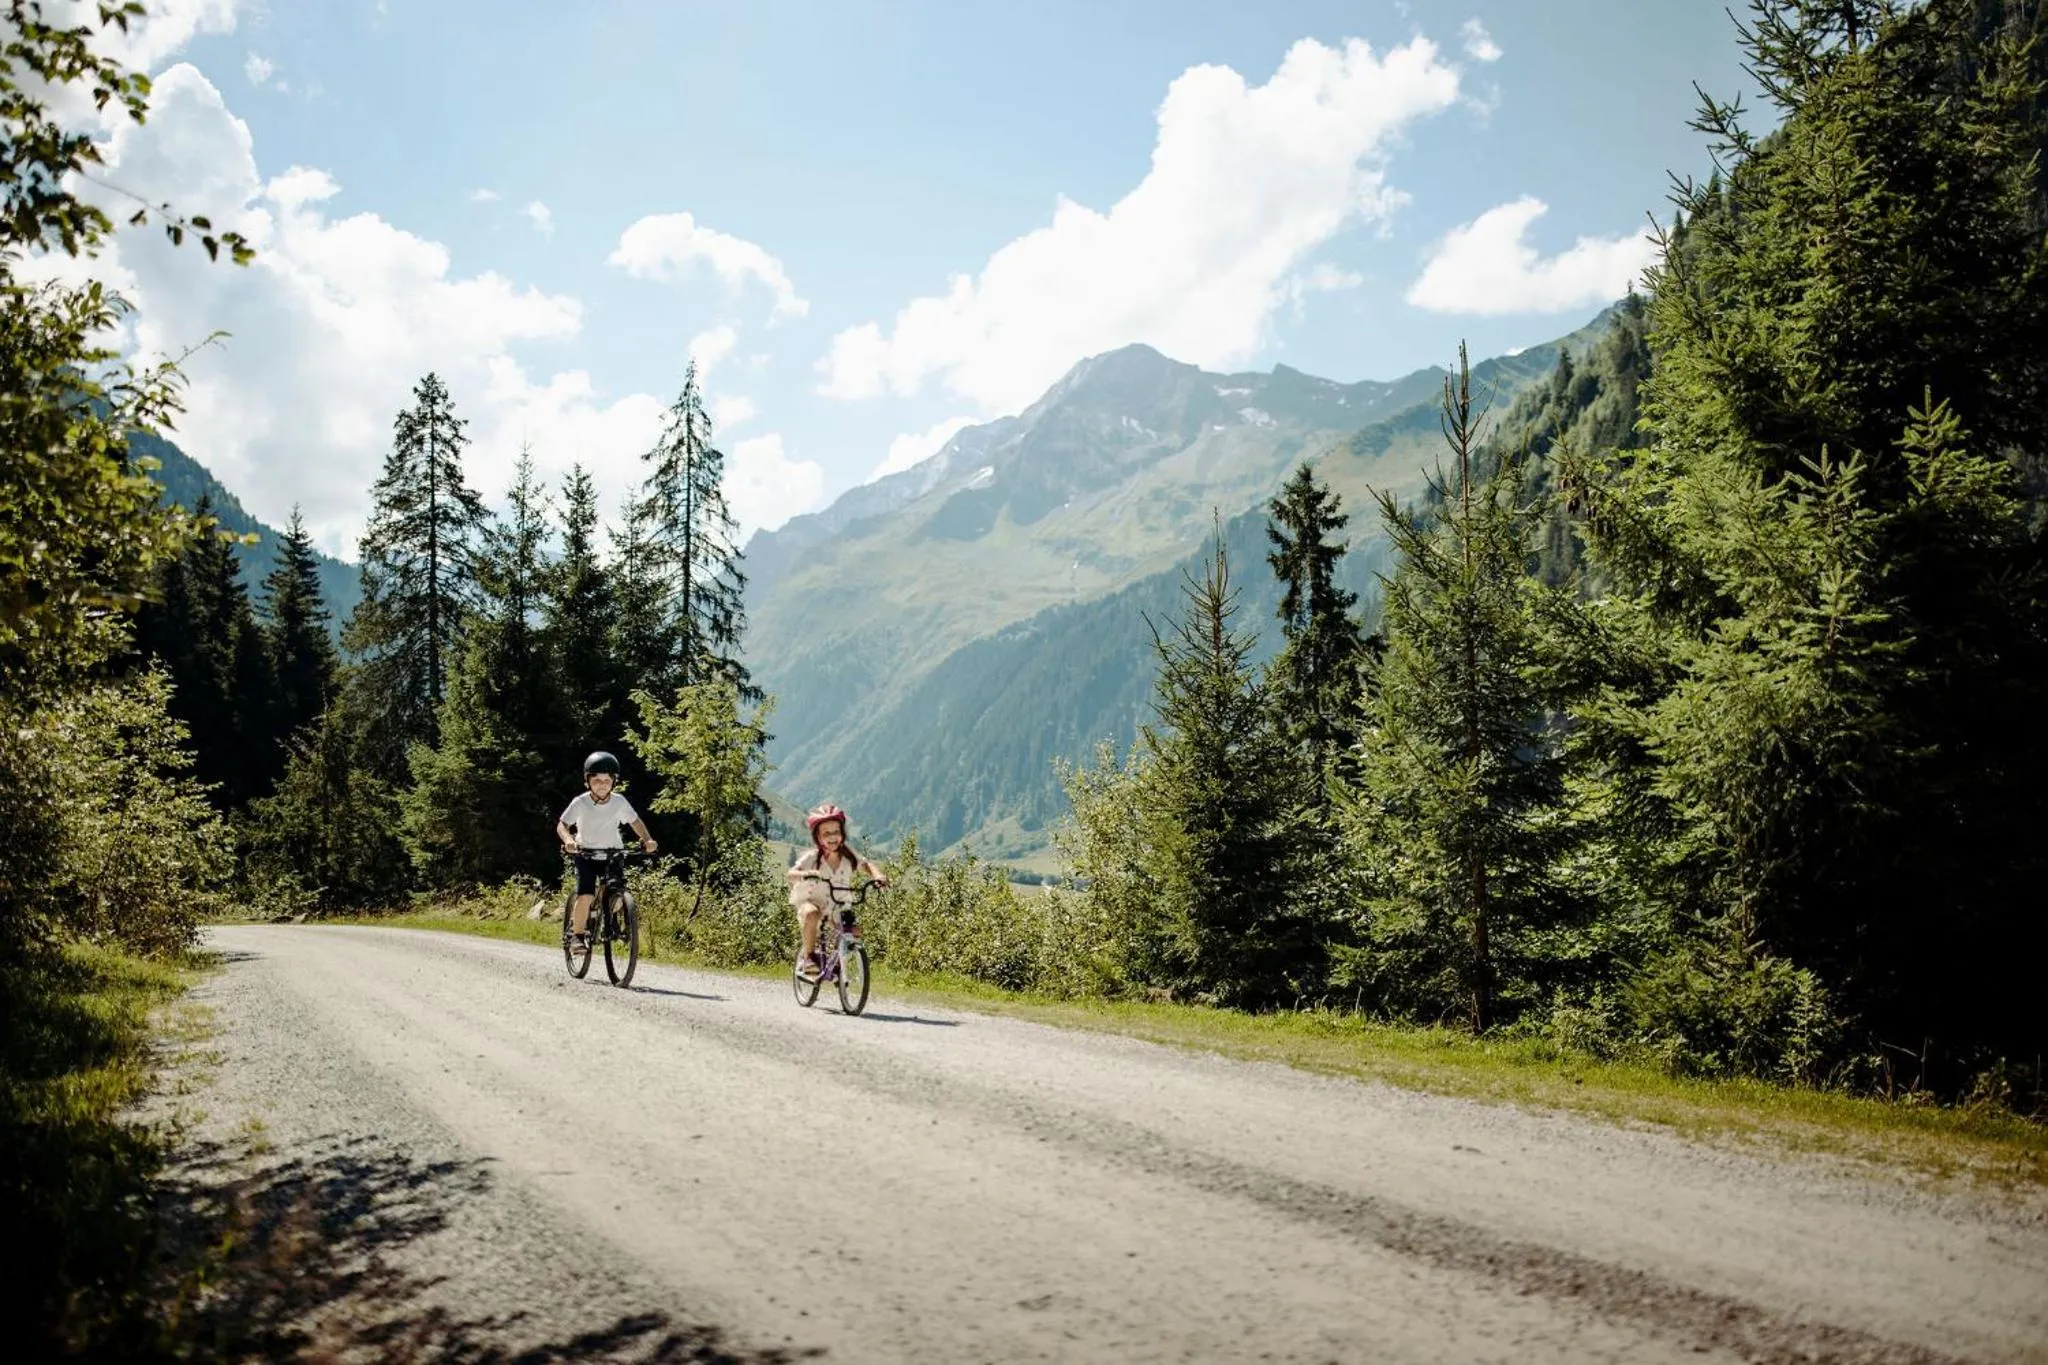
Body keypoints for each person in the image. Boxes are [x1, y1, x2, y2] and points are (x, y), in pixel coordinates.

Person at [557, 750, 656, 956]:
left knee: (617, 894)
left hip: (612, 853)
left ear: (614, 782)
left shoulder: (619, 802)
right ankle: (577, 936)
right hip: (586, 855)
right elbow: (562, 824)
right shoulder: (580, 802)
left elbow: (635, 822)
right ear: (587, 781)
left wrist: (647, 840)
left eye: (606, 780)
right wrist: (569, 840)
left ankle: (606, 920)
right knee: (585, 895)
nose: (602, 784)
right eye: (597, 780)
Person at [786, 803, 885, 980]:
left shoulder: (848, 855)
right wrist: (806, 874)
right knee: (811, 914)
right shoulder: (812, 857)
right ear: (818, 837)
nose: (833, 837)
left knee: (852, 931)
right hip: (813, 901)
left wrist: (878, 875)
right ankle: (809, 957)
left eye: (836, 832)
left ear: (843, 834)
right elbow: (791, 874)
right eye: (826, 834)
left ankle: (837, 962)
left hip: (837, 904)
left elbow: (865, 864)